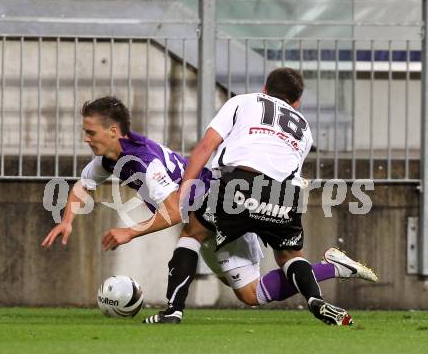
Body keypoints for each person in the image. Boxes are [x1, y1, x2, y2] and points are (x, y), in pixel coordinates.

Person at [41, 96, 377, 325]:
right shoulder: (112, 159)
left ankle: (174, 310)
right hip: (218, 202)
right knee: (251, 293)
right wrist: (67, 220)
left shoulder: (145, 163)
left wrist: (130, 231)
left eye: (90, 132)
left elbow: (174, 211)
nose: (86, 138)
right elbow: (83, 185)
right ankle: (332, 267)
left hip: (219, 203)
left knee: (207, 249)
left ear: (113, 131)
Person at [174, 67, 375, 326]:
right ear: (298, 101)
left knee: (192, 235)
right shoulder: (303, 127)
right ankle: (321, 285)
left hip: (235, 187)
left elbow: (205, 146)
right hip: (283, 195)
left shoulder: (242, 101)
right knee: (286, 261)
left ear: (265, 90)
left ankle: (173, 310)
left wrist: (185, 187)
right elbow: (289, 173)